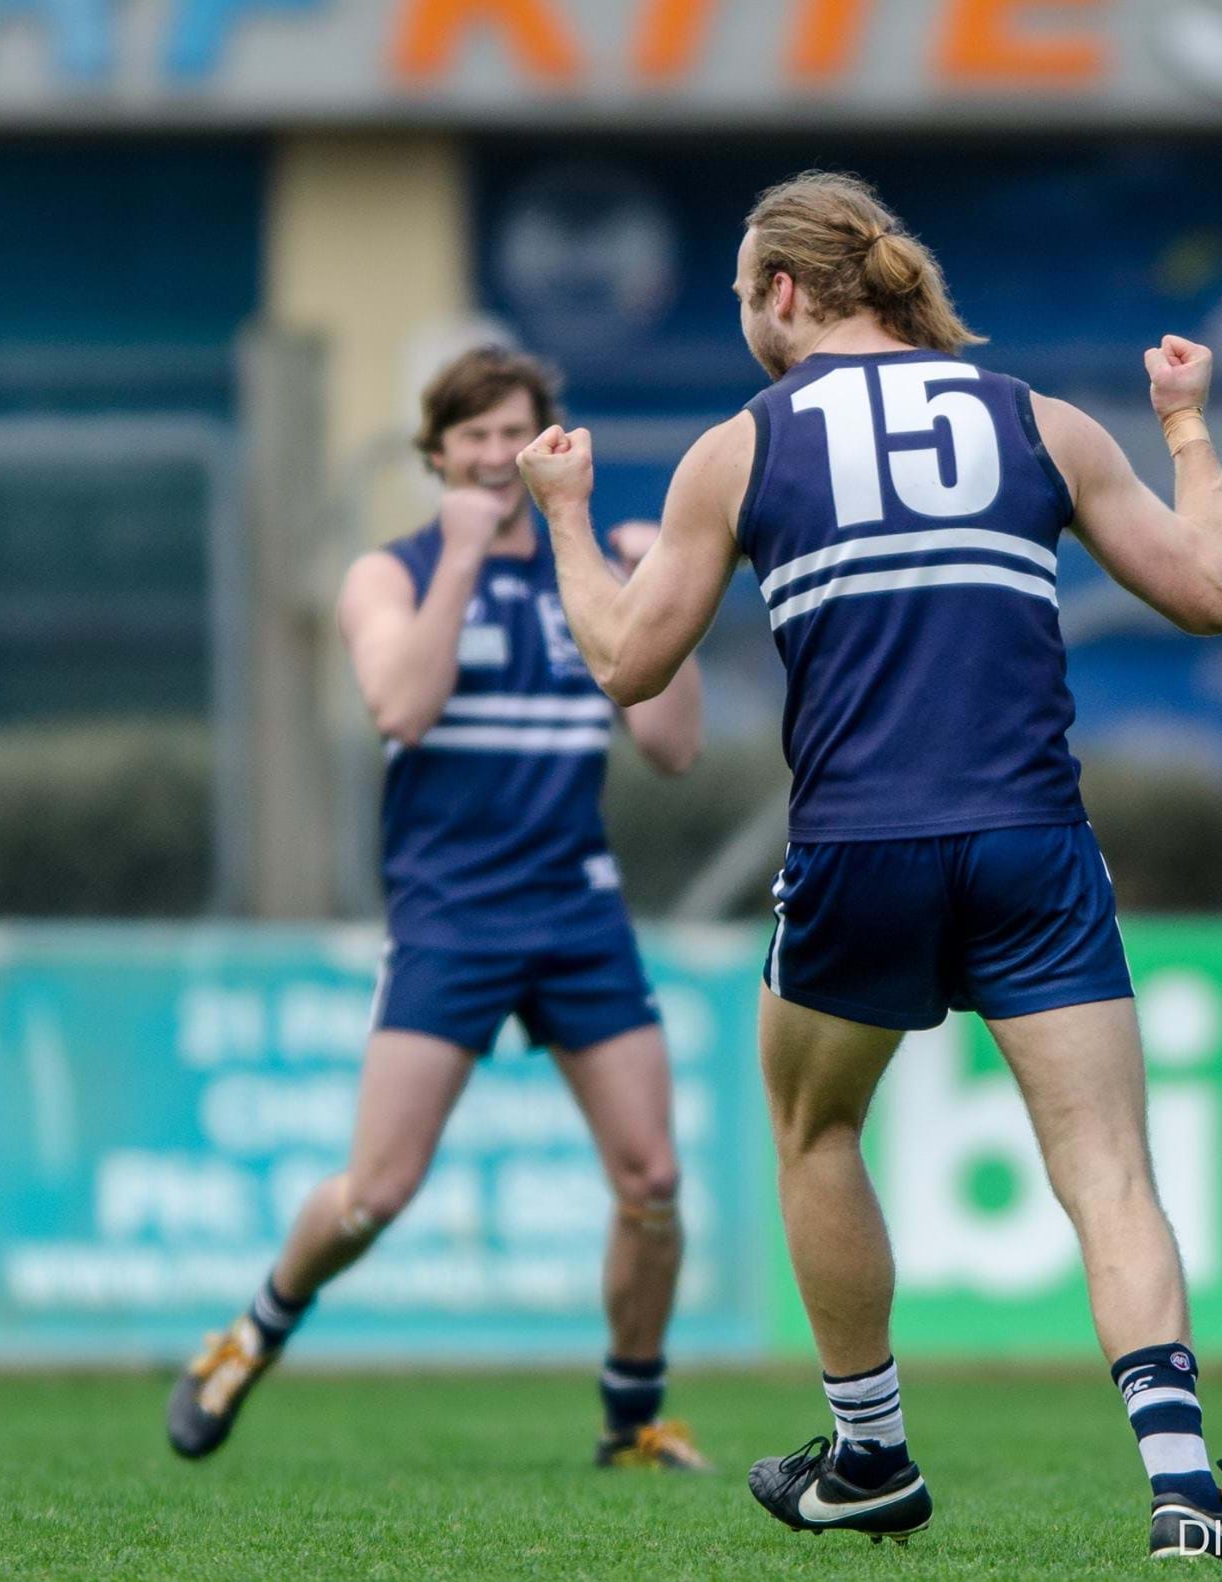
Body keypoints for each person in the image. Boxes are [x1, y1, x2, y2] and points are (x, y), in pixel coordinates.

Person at [516, 172, 1222, 1562]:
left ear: (784, 293)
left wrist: (563, 514)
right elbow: (1211, 590)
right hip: (1033, 841)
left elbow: (627, 661)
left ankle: (869, 1451)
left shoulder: (739, 449)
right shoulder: (1039, 419)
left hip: (856, 848)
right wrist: (1183, 421)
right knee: (1107, 1169)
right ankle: (1183, 1490)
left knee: (816, 1131)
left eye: (744, 294)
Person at [167, 345, 712, 1473]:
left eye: (515, 433)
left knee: (652, 1180)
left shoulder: (586, 574)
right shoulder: (391, 575)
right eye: (472, 437)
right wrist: (461, 556)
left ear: (550, 445)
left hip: (576, 912)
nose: (495, 456)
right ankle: (252, 1333)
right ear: (436, 455)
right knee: (375, 1193)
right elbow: (401, 710)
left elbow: (671, 747)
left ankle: (632, 1422)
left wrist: (663, 591)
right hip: (450, 915)